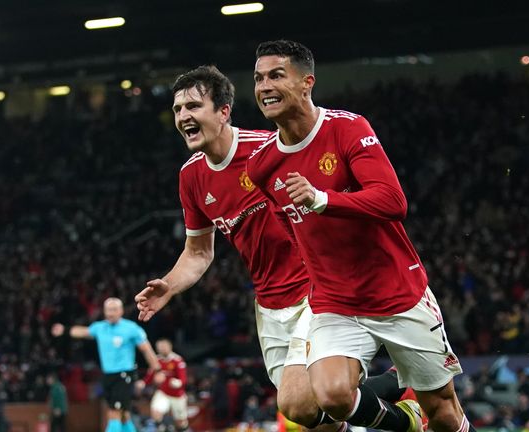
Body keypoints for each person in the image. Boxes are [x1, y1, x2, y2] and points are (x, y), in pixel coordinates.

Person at [135, 65, 406, 431]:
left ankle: (402, 405)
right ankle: (396, 387)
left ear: (223, 111)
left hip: (317, 292)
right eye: (177, 109)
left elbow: (329, 202)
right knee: (311, 418)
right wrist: (170, 284)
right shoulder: (191, 176)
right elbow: (199, 252)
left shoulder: (268, 151)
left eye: (193, 106)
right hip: (269, 306)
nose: (183, 116)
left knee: (296, 401)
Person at [246, 39, 470, 432]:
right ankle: (403, 422)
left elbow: (393, 201)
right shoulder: (263, 164)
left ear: (306, 82)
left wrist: (322, 199)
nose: (264, 86)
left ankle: (422, 414)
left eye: (276, 75)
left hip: (397, 292)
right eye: (259, 78)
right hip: (335, 301)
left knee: (445, 415)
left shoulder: (348, 128)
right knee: (331, 396)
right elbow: (290, 226)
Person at [51, 297, 161, 432]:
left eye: (114, 310)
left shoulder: (131, 329)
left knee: (113, 413)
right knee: (124, 415)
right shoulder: (100, 327)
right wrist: (64, 330)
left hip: (124, 375)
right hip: (108, 375)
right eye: (108, 310)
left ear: (121, 311)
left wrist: (157, 368)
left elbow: (146, 349)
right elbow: (83, 332)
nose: (111, 313)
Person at [144, 339, 189, 431]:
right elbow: (150, 376)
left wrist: (177, 383)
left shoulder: (177, 360)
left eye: (164, 347)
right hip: (163, 393)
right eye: (159, 347)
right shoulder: (156, 360)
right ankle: (161, 429)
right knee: (156, 412)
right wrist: (144, 383)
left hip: (177, 395)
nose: (162, 349)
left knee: (180, 423)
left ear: (170, 347)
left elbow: (183, 379)